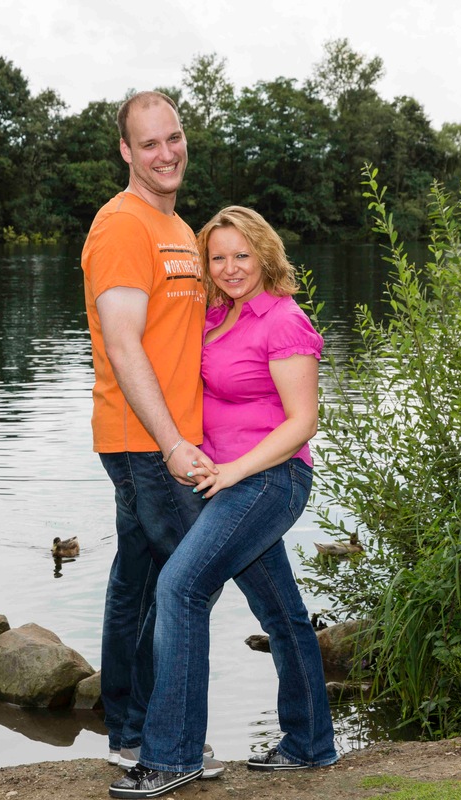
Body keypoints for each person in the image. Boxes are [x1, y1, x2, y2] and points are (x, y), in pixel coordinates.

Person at [110, 207, 338, 799]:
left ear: (265, 254)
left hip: (269, 479)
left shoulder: (284, 320)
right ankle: (310, 743)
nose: (231, 268)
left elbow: (304, 421)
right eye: (218, 257)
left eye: (242, 255)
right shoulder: (216, 315)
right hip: (227, 482)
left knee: (180, 588)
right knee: (282, 614)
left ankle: (172, 756)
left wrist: (234, 468)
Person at [80, 91, 221, 777]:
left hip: (174, 439)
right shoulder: (120, 227)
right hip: (144, 439)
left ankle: (133, 731)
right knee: (187, 584)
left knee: (141, 579)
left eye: (175, 137)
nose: (167, 153)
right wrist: (169, 443)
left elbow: (184, 344)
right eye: (150, 143)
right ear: (126, 152)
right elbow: (126, 345)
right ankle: (165, 743)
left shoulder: (180, 229)